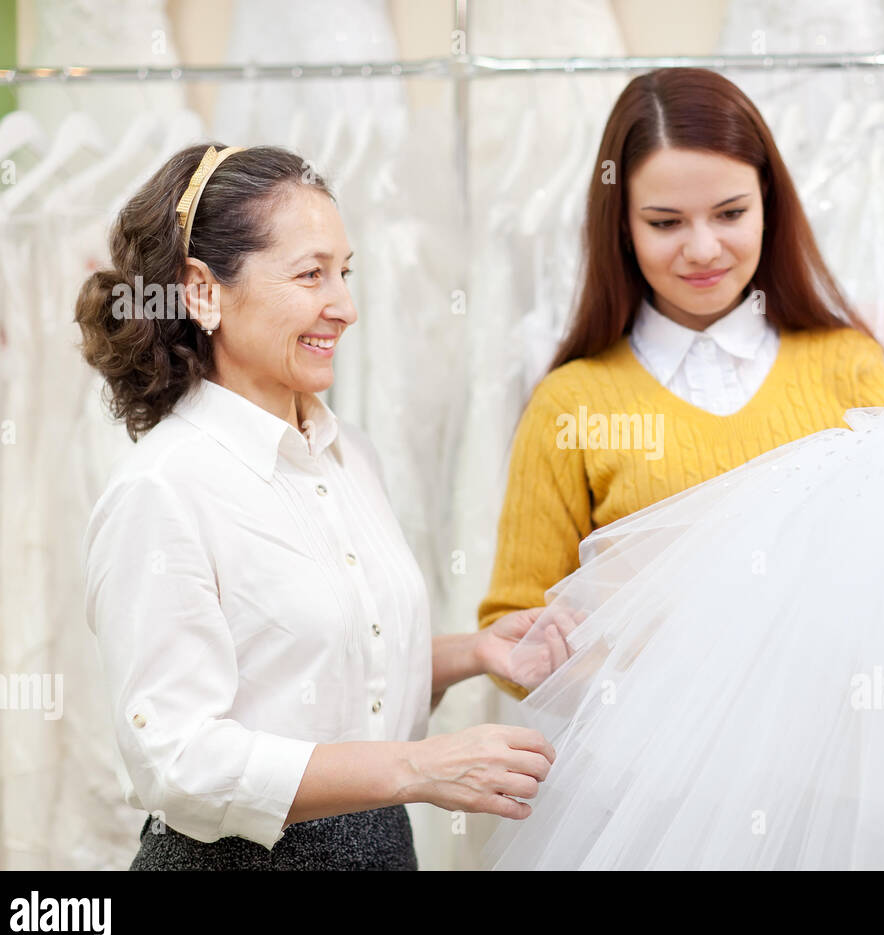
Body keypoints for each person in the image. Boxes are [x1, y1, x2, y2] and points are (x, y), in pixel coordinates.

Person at [78, 143, 555, 870]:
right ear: (202, 291)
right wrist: (418, 768)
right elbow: (176, 758)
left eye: (345, 272)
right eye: (311, 275)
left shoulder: (348, 453)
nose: (347, 306)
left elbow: (317, 669)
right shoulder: (162, 490)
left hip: (382, 848)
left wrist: (474, 652)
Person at [477, 68, 884, 699]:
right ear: (621, 224)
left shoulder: (850, 365)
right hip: (641, 775)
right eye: (666, 222)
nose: (703, 249)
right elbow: (514, 631)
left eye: (730, 213)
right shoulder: (571, 401)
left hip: (828, 760)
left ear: (769, 207)